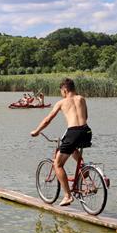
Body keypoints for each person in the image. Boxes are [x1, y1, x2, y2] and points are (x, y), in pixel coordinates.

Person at [31, 78, 92, 206]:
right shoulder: (81, 99)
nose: (61, 94)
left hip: (73, 132)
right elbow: (85, 117)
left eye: (61, 92)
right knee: (72, 148)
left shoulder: (61, 102)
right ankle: (83, 167)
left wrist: (37, 131)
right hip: (86, 131)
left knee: (57, 164)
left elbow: (48, 120)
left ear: (65, 90)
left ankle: (67, 195)